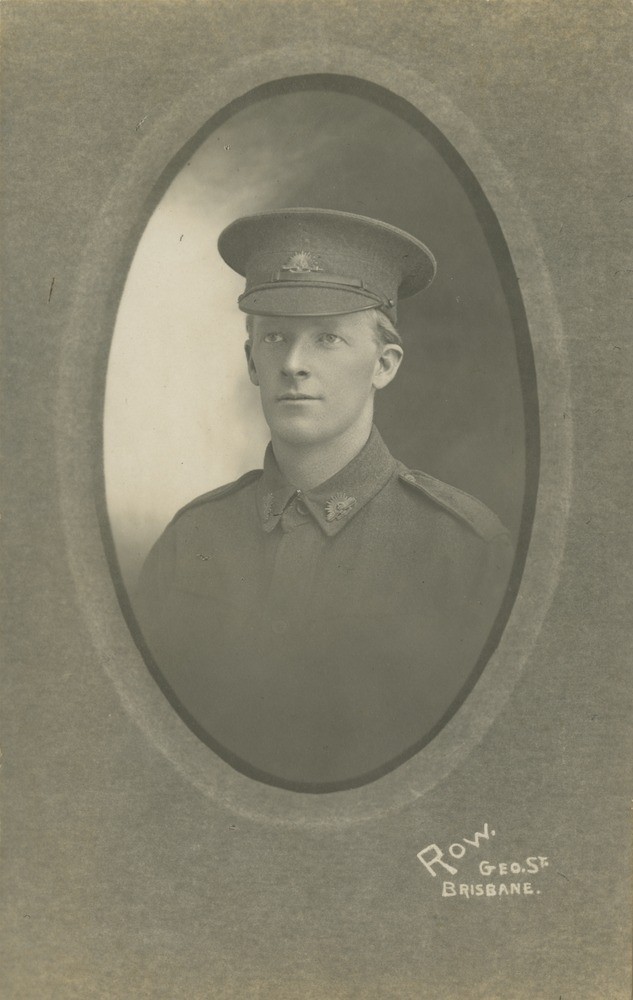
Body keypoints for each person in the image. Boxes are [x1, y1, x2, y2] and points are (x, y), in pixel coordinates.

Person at [134, 208, 514, 791]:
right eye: (276, 337)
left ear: (384, 365)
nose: (293, 365)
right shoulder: (193, 539)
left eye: (328, 338)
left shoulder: (464, 548)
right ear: (251, 360)